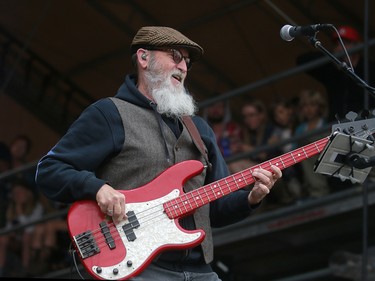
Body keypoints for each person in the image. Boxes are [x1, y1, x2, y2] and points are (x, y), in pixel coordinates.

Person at [35, 26, 282, 281]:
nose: (184, 67)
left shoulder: (200, 130)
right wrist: (97, 188)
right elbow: (50, 170)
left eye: (187, 62)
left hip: (200, 271)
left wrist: (251, 198)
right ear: (144, 58)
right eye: (175, 56)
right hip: (137, 269)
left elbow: (216, 210)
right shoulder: (108, 114)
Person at [296, 25, 375, 122]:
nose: (340, 48)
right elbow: (301, 60)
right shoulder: (331, 69)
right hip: (338, 126)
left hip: (366, 124)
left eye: (345, 43)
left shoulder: (369, 68)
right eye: (337, 44)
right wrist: (331, 57)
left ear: (356, 45)